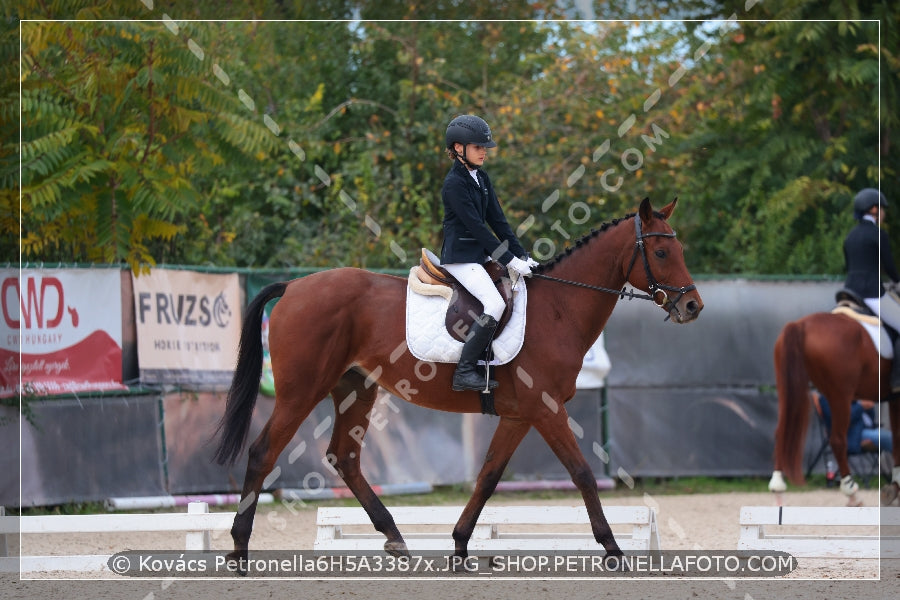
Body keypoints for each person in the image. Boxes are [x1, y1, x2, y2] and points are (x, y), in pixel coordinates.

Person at [440, 114, 537, 392]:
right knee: (494, 304)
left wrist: (523, 256)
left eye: (485, 147)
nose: (484, 152)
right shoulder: (454, 185)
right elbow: (479, 230)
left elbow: (498, 221)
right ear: (459, 148)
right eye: (478, 147)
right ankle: (465, 371)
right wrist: (510, 261)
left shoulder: (481, 177)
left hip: (479, 257)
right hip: (460, 258)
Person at [843, 187, 900, 390]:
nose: (884, 213)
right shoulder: (879, 235)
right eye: (883, 209)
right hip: (872, 293)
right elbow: (889, 266)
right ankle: (897, 379)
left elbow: (850, 266)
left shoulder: (850, 237)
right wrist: (897, 281)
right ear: (874, 210)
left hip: (849, 293)